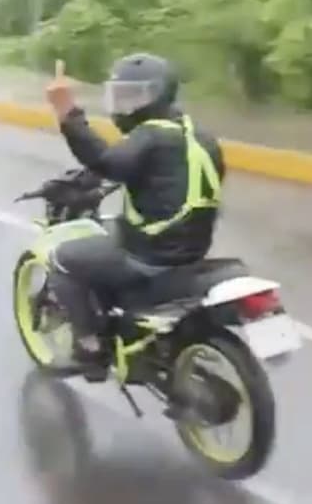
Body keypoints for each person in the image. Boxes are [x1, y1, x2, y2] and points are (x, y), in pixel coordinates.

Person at [43, 53, 225, 380]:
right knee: (111, 231)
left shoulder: (151, 135)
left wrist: (67, 112)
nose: (127, 106)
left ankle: (90, 348)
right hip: (192, 249)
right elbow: (169, 179)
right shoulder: (198, 134)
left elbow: (107, 162)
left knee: (63, 258)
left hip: (151, 254)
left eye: (136, 96)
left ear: (159, 94)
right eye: (122, 95)